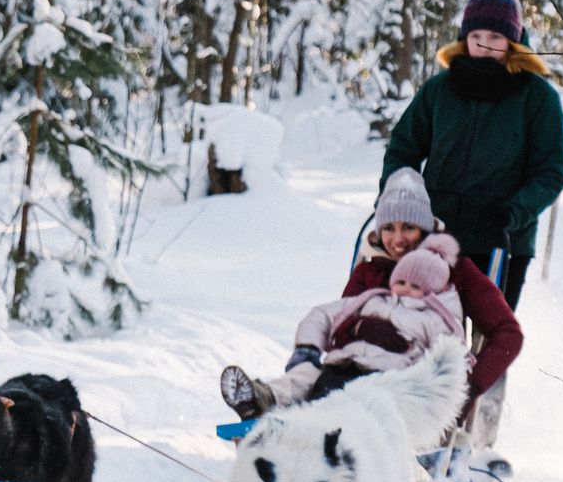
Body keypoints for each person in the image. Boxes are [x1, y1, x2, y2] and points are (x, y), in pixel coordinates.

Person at [220, 167, 523, 424]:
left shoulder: (455, 271)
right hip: (348, 372)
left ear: (426, 226)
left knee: (356, 400)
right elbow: (338, 323)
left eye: (409, 227)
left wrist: (466, 389)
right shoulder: (371, 272)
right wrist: (346, 334)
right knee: (311, 377)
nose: (398, 238)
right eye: (388, 228)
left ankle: (308, 426)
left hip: (406, 386)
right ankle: (266, 404)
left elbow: (507, 334)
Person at [378, 0, 563, 311]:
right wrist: (398, 195)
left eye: (495, 37)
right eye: (475, 34)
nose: (483, 45)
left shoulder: (538, 97)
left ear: (514, 39)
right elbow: (403, 148)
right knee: (423, 332)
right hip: (434, 236)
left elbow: (550, 172)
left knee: (487, 346)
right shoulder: (439, 90)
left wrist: (514, 212)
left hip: (502, 240)